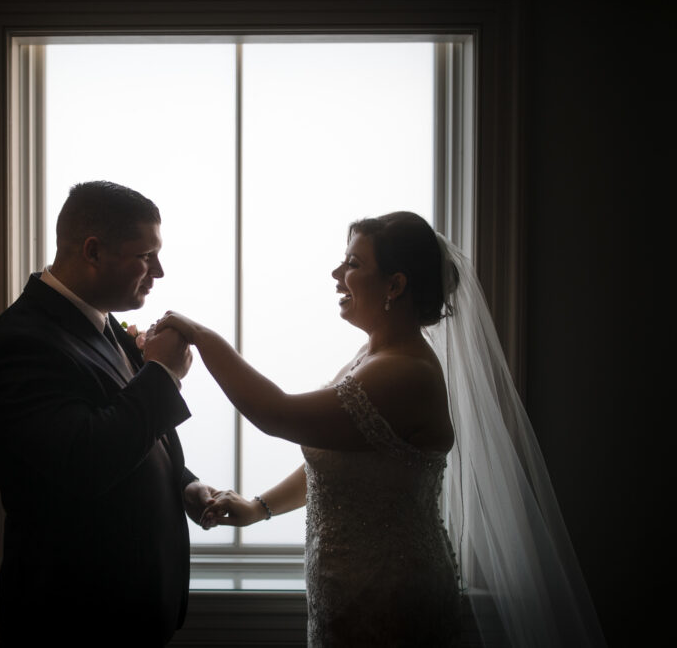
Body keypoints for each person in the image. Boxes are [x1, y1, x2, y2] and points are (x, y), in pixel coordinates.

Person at [152, 211, 606, 647]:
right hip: (347, 594)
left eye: (352, 263)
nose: (336, 273)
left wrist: (199, 336)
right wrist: (259, 507)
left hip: (390, 601)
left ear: (395, 285)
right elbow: (335, 464)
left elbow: (277, 415)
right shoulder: (369, 359)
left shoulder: (404, 373)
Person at [0, 181, 219, 647]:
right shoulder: (20, 344)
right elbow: (83, 460)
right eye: (146, 255)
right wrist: (163, 374)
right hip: (77, 620)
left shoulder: (100, 324)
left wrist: (182, 481)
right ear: (93, 251)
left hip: (132, 613)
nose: (159, 271)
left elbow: (123, 428)